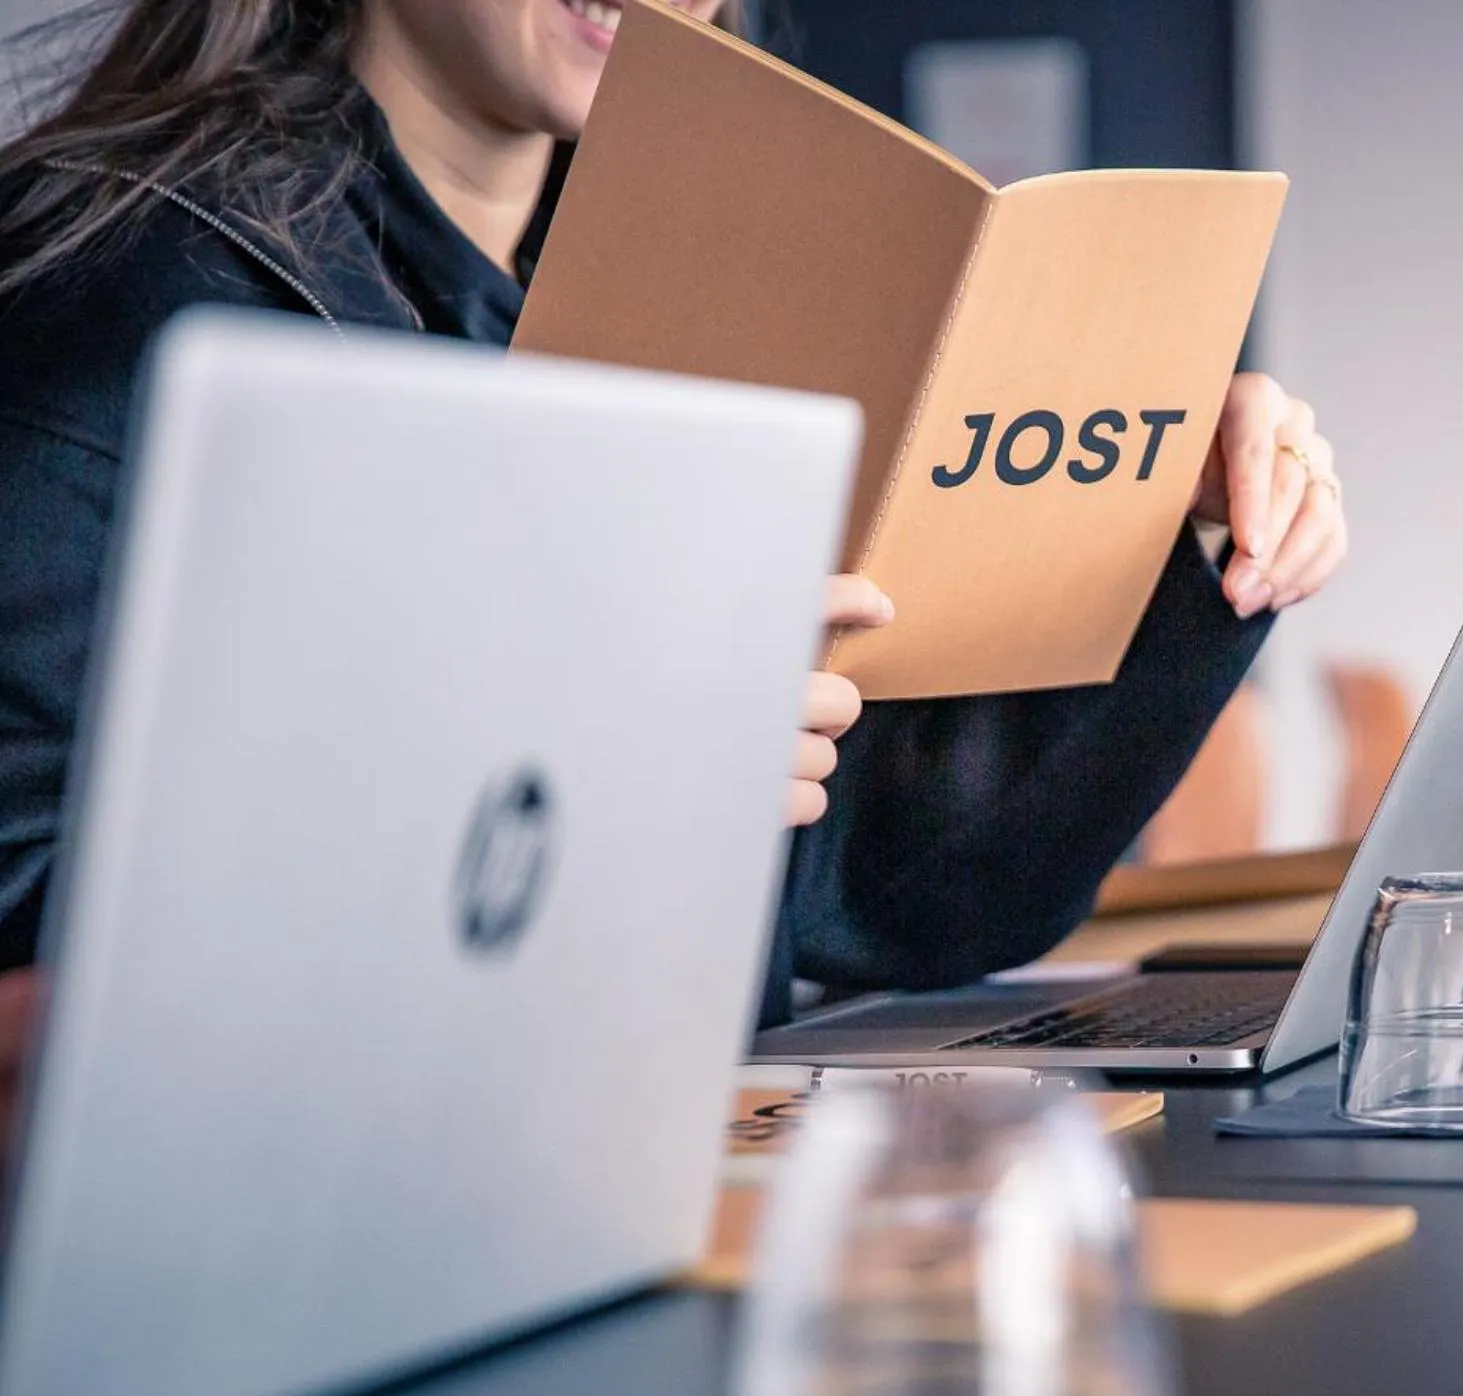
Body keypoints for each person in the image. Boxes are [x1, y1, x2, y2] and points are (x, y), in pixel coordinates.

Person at [0, 0, 1349, 1029]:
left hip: (642, 1189)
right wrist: (590, 776)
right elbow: (34, 924)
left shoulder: (675, 312)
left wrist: (1178, 534)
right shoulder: (122, 296)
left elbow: (876, 899)